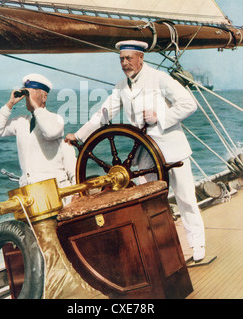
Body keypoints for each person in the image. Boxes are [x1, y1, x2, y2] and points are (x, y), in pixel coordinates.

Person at [65, 40, 205, 261]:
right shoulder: (121, 87)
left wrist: (162, 118)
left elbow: (189, 104)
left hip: (172, 149)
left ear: (141, 58)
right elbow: (103, 114)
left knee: (185, 199)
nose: (124, 63)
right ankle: (165, 252)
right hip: (147, 155)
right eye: (121, 59)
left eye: (129, 58)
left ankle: (198, 248)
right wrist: (80, 135)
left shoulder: (159, 78)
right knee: (152, 204)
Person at [0, 73, 76, 205]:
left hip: (58, 194)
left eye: (32, 93)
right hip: (33, 195)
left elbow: (50, 132)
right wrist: (10, 104)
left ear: (45, 96)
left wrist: (36, 107)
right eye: (27, 95)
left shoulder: (55, 119)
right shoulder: (21, 122)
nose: (28, 99)